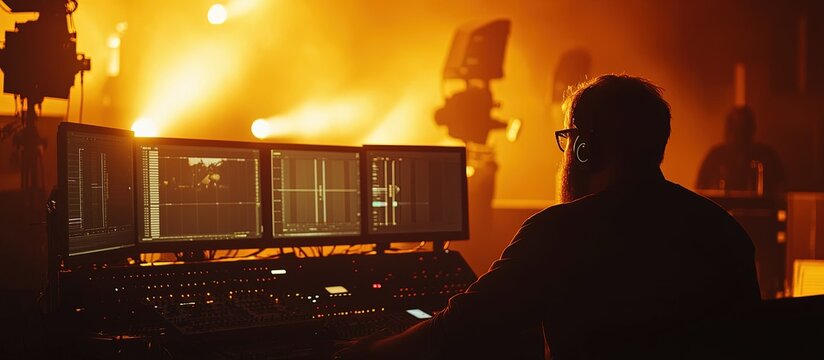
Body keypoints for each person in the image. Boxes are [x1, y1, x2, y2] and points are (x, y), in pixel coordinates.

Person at [335, 75, 761, 359]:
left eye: (569, 137)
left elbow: (461, 328)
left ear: (585, 148)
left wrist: (370, 351)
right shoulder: (722, 228)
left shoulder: (560, 230)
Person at [696, 106, 786, 194]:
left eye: (742, 129)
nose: (739, 135)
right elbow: (701, 187)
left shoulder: (766, 156)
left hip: (757, 205)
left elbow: (781, 189)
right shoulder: (715, 157)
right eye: (735, 128)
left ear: (752, 129)